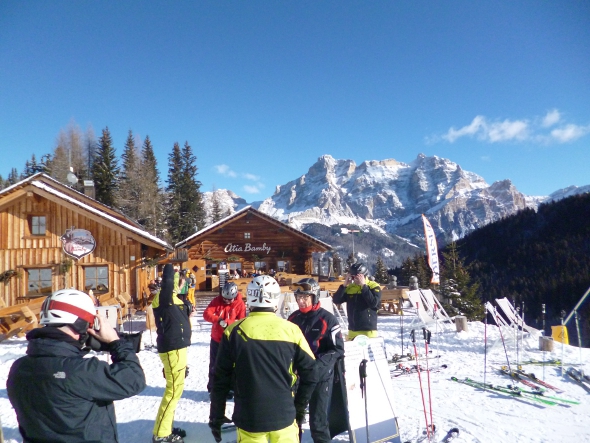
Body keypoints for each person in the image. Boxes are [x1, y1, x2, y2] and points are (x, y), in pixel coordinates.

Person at [6, 289, 146, 443]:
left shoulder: (19, 368)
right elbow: (134, 379)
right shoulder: (81, 371)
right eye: (90, 324)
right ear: (80, 324)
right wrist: (116, 343)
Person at [209, 275, 318, 443]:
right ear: (276, 300)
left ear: (250, 299)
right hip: (284, 415)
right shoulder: (291, 330)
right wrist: (299, 407)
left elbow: (220, 378)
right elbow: (311, 373)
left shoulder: (234, 331)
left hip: (249, 417)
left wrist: (216, 416)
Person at [288, 278, 345, 443]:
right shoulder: (293, 318)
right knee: (293, 420)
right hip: (298, 377)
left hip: (320, 377)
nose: (301, 301)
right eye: (298, 297)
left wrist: (316, 366)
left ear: (314, 297)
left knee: (318, 423)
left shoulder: (327, 319)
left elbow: (337, 350)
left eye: (305, 297)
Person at [152, 263, 192, 443]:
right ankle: (161, 435)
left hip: (179, 349)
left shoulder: (175, 298)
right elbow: (168, 282)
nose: (181, 284)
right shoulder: (164, 297)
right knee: (173, 391)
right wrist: (171, 267)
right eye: (179, 281)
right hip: (172, 349)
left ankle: (166, 426)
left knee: (176, 390)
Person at [203, 281, 246, 393]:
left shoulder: (240, 304)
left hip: (231, 340)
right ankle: (213, 388)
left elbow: (241, 322)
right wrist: (218, 320)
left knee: (231, 365)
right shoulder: (217, 301)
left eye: (229, 299)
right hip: (217, 339)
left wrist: (228, 322)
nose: (226, 301)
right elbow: (207, 314)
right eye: (224, 299)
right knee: (215, 364)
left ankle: (230, 388)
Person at [332, 262, 382, 339]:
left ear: (364, 275)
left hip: (368, 330)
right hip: (353, 329)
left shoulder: (374, 286)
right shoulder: (350, 288)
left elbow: (373, 303)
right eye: (352, 277)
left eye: (357, 277)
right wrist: (344, 285)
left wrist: (364, 286)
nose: (354, 279)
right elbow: (336, 300)